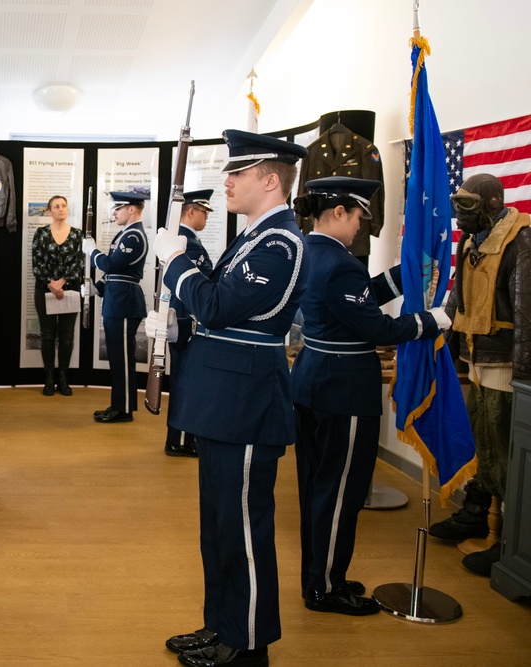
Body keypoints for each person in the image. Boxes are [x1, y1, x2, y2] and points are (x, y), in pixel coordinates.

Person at [152, 129, 308, 667]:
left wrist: (176, 263)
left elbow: (218, 305)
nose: (227, 181)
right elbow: (216, 307)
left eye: (237, 173)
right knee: (218, 525)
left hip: (245, 404)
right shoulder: (252, 237)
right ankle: (221, 626)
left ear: (270, 180)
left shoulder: (280, 242)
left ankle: (247, 646)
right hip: (222, 399)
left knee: (244, 529)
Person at [288, 177, 447, 615]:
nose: (361, 227)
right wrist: (432, 320)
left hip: (315, 382)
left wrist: (402, 276)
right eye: (359, 217)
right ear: (339, 212)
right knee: (341, 491)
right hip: (343, 390)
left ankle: (321, 575)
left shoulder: (311, 251)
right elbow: (376, 327)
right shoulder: (340, 263)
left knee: (318, 489)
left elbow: (355, 301)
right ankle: (325, 588)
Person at [431, 173, 531, 575]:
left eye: (468, 207)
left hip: (506, 368)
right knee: (483, 447)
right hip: (477, 361)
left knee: (505, 455)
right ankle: (478, 512)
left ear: (492, 204)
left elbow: (526, 312)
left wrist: (524, 377)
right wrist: (441, 346)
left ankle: (509, 542)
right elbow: (458, 298)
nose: (460, 217)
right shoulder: (471, 241)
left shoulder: (520, 242)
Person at [83, 191, 149, 423]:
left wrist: (92, 251)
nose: (114, 212)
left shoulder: (134, 236)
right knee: (117, 357)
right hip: (116, 300)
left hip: (123, 303)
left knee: (121, 358)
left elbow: (111, 264)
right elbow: (116, 272)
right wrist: (97, 288)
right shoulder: (125, 234)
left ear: (132, 209)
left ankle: (124, 409)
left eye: (118, 208)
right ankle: (119, 404)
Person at [161, 189, 214, 457]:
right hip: (186, 319)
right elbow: (194, 289)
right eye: (203, 212)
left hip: (184, 319)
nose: (206, 217)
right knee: (185, 380)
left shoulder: (186, 241)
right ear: (191, 211)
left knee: (185, 379)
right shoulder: (188, 243)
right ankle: (179, 439)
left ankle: (180, 437)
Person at [32, 195, 84, 397]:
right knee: (47, 334)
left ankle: (63, 377)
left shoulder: (78, 235)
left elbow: (79, 263)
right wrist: (51, 284)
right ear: (49, 211)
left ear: (67, 209)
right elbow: (37, 263)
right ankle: (49, 378)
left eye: (63, 205)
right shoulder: (41, 233)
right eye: (56, 206)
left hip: (70, 290)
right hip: (44, 290)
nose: (60, 209)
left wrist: (61, 283)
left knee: (67, 335)